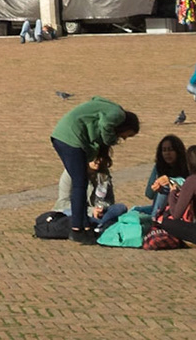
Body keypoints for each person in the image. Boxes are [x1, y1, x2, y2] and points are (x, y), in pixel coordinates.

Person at [50, 97, 141, 242]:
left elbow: (95, 104)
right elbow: (106, 125)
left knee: (81, 183)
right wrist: (110, 140)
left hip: (62, 137)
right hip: (70, 138)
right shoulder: (118, 114)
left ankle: (85, 226)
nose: (124, 138)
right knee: (80, 184)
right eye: (128, 134)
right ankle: (77, 229)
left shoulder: (108, 109)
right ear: (126, 125)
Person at [146, 134, 188, 217]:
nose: (167, 153)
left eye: (170, 150)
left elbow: (189, 184)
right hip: (160, 206)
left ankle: (155, 219)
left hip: (179, 208)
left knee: (164, 187)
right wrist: (156, 184)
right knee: (134, 210)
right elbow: (149, 194)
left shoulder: (187, 166)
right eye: (164, 150)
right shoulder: (159, 167)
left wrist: (170, 181)